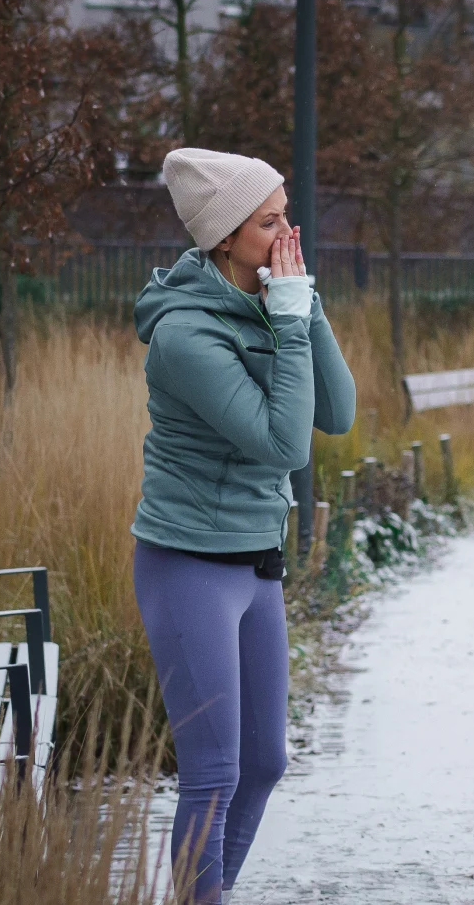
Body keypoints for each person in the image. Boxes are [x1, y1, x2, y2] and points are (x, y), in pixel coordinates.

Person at [131, 147, 356, 905]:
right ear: (225, 237)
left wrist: (304, 305)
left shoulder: (272, 301)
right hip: (188, 566)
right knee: (213, 774)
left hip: (256, 566)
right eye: (269, 223)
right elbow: (285, 447)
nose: (288, 235)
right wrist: (288, 320)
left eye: (287, 216)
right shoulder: (185, 336)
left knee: (264, 763)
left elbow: (337, 413)